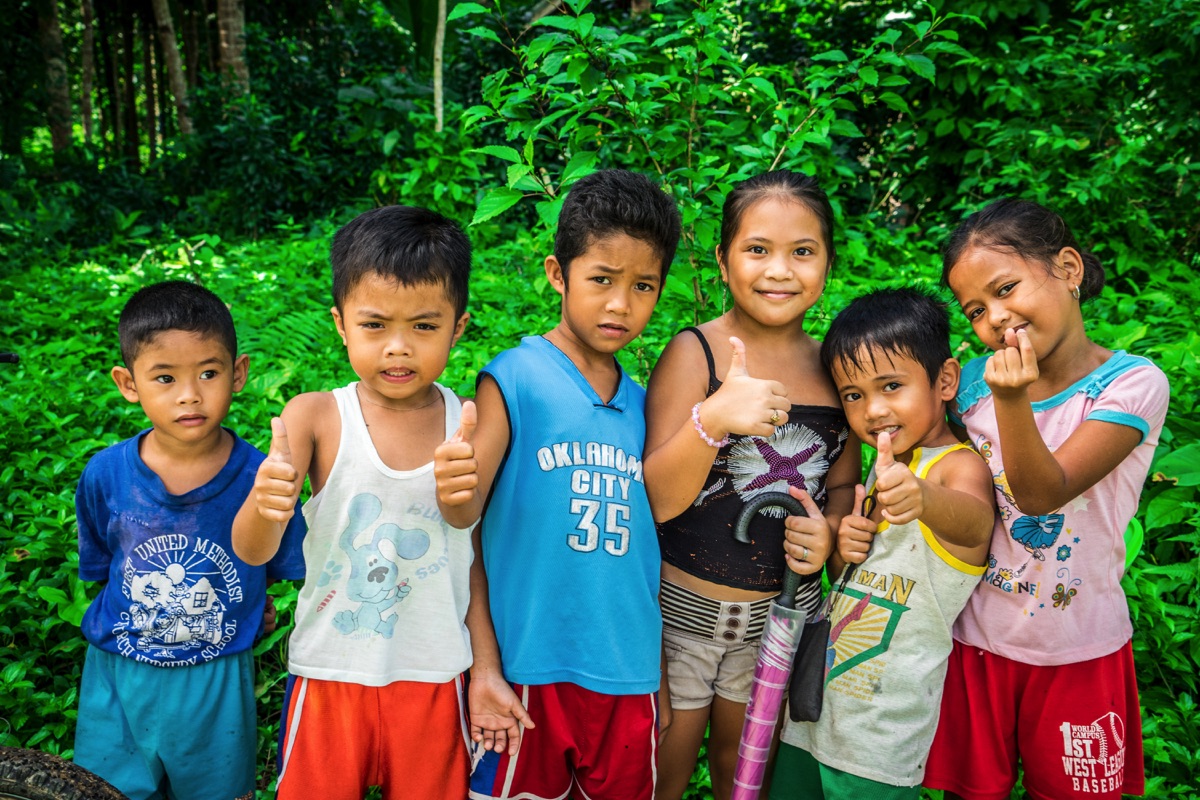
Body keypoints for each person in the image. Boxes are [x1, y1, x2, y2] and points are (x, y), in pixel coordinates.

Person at [434, 169, 682, 800]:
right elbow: (464, 523)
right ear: (557, 274)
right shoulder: (514, 378)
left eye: (643, 286)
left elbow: (648, 549)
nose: (621, 304)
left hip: (627, 675)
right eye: (602, 279)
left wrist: (655, 673)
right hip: (526, 670)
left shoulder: (646, 405)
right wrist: (485, 666)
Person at [923, 198, 1169, 800]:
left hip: (1079, 649)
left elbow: (1040, 495)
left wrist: (1012, 400)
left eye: (1006, 288)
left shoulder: (1131, 384)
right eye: (975, 310)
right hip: (974, 642)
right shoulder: (972, 384)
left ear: (1068, 268)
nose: (995, 318)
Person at [232, 205, 478, 800]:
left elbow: (469, 532)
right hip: (329, 669)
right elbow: (253, 551)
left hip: (434, 671)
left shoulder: (469, 422)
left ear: (458, 328)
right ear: (341, 325)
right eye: (374, 325)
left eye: (424, 326)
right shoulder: (315, 416)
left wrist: (458, 493)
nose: (398, 348)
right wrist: (266, 505)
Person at [643, 170, 859, 800]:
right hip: (678, 619)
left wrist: (830, 531)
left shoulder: (834, 368)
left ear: (828, 263)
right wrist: (712, 420)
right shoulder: (696, 354)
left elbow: (844, 484)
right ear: (723, 259)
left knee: (745, 776)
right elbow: (655, 498)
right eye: (757, 249)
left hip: (778, 623)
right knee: (662, 768)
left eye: (803, 251)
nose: (779, 271)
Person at [74, 280, 306, 800]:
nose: (189, 395)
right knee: (106, 790)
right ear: (128, 383)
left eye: (208, 373)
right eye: (164, 377)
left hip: (215, 679)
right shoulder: (106, 475)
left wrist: (256, 604)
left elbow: (273, 563)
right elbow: (104, 565)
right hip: (119, 674)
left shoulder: (263, 478)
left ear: (238, 373)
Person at [770, 288, 996, 799]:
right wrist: (843, 546)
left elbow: (975, 525)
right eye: (853, 395)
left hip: (881, 737)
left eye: (891, 386)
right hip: (815, 715)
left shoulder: (956, 466)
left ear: (945, 380)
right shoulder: (885, 464)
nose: (873, 410)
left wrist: (924, 497)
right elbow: (858, 581)